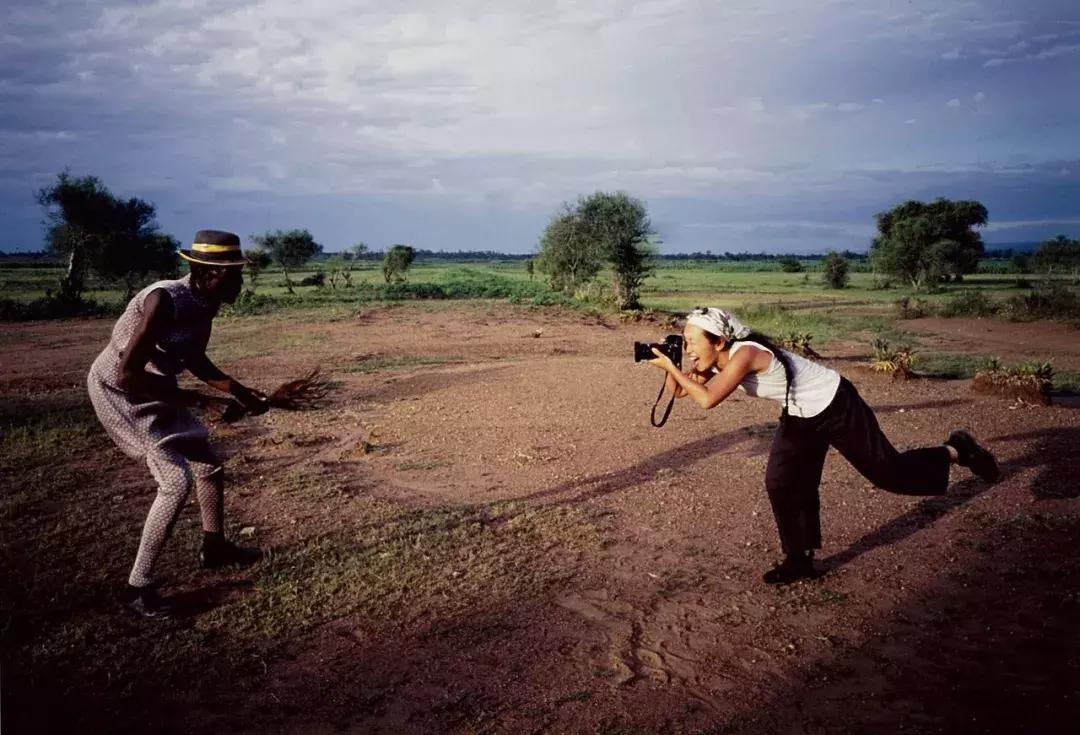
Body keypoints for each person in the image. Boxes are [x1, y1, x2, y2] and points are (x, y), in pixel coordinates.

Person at [647, 307, 1000, 584]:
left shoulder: (745, 354)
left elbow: (706, 400)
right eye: (685, 341)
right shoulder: (717, 359)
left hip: (835, 404)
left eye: (692, 341)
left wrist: (673, 368)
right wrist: (672, 366)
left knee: (888, 473)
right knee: (783, 482)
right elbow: (681, 391)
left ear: (720, 341)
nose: (688, 347)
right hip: (800, 414)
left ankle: (956, 449)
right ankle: (799, 560)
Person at [87, 230, 269, 617]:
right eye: (231, 274)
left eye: (239, 273)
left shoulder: (207, 303)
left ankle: (214, 546)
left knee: (209, 463)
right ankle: (139, 587)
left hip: (160, 389)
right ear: (206, 273)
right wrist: (202, 401)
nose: (239, 281)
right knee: (175, 481)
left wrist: (239, 391)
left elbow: (194, 359)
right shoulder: (162, 299)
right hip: (120, 393)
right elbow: (127, 376)